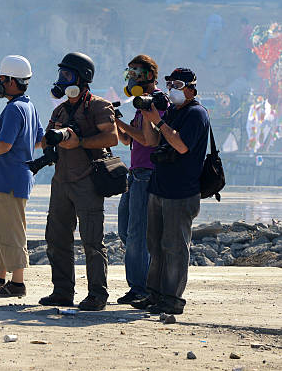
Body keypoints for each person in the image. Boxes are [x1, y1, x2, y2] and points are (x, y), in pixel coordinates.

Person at [39, 52, 118, 311]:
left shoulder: (98, 106)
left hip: (87, 180)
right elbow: (45, 140)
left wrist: (80, 141)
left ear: (83, 78)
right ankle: (62, 291)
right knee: (56, 238)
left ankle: (97, 294)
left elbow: (111, 138)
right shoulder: (60, 109)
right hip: (61, 181)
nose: (62, 80)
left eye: (67, 75)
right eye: (61, 74)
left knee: (92, 240)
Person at [133, 68, 210, 315]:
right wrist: (148, 118)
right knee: (155, 245)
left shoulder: (196, 114)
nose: (172, 89)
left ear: (191, 88)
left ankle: (172, 299)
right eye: (169, 84)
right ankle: (154, 294)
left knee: (175, 247)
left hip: (181, 191)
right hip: (159, 187)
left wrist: (159, 120)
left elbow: (181, 146)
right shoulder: (174, 112)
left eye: (177, 84)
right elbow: (154, 142)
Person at [0, 55, 44, 297]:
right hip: (12, 178)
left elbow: (3, 145)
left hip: (11, 180)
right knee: (0, 232)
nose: (0, 83)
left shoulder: (15, 109)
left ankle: (17, 282)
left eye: (3, 79)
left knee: (12, 232)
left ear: (13, 82)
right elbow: (39, 141)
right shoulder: (29, 106)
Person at [115, 55, 163, 304]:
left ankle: (140, 288)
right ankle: (144, 280)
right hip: (134, 172)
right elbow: (128, 140)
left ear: (146, 77)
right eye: (129, 74)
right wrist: (116, 120)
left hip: (147, 173)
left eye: (135, 74)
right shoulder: (140, 104)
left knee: (136, 233)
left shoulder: (156, 102)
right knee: (126, 229)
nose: (131, 78)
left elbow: (147, 140)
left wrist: (123, 121)